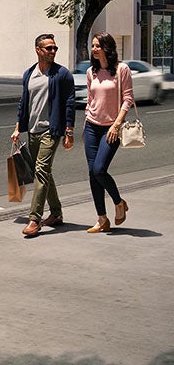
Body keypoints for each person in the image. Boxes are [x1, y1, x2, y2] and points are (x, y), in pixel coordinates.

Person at [11, 33, 76, 237]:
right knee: (44, 172)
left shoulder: (62, 74)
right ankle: (56, 213)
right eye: (49, 48)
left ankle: (34, 219)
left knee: (40, 170)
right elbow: (24, 103)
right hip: (32, 131)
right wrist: (17, 128)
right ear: (38, 50)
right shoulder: (29, 74)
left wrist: (69, 131)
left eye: (55, 48)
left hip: (51, 130)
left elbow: (70, 103)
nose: (53, 51)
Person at [82, 32, 132, 233]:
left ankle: (119, 202)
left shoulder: (121, 70)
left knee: (99, 169)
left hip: (111, 128)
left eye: (97, 46)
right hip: (91, 127)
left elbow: (128, 99)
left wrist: (116, 125)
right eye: (92, 46)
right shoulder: (90, 72)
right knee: (92, 174)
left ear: (107, 48)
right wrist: (87, 118)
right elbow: (90, 99)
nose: (93, 49)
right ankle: (102, 219)